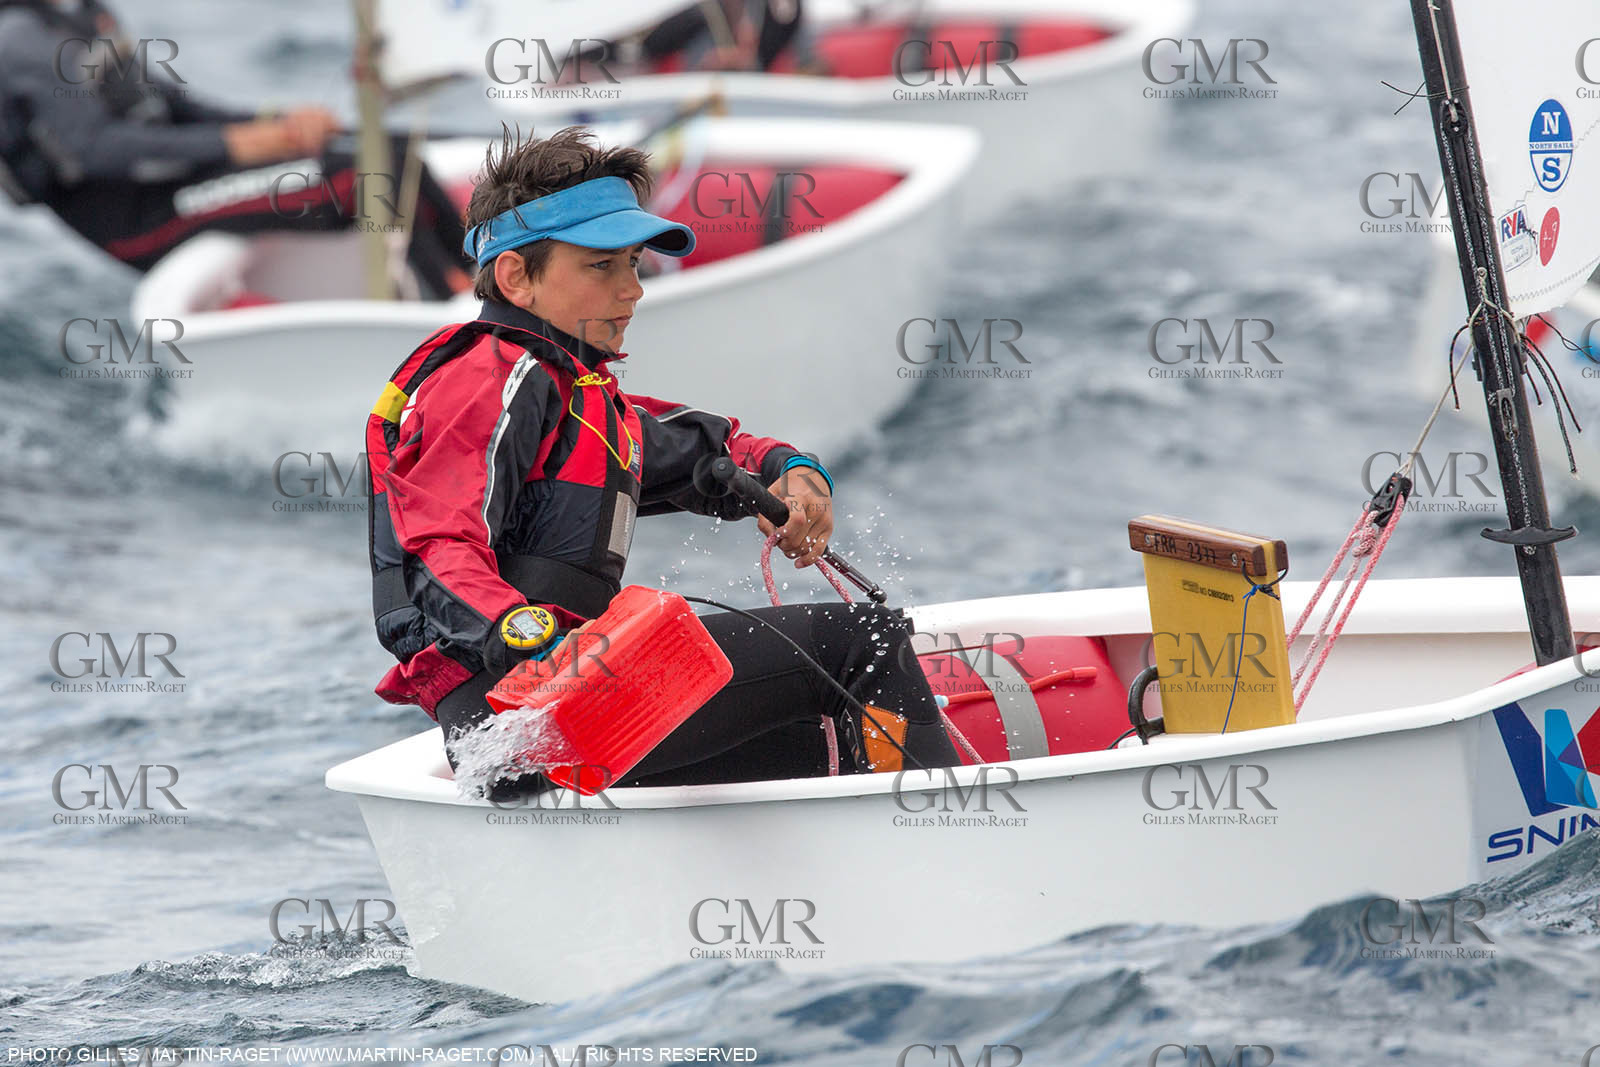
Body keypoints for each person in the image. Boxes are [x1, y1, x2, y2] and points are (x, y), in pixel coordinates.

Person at [364, 125, 961, 791]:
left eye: (633, 264)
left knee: (808, 743)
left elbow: (710, 450)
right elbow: (435, 545)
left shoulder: (584, 399)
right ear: (516, 276)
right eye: (601, 266)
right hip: (519, 720)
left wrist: (790, 473)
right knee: (865, 641)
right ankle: (945, 857)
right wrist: (526, 637)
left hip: (563, 709)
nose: (632, 290)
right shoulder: (485, 374)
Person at [0, 0, 473, 296]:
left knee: (394, 150)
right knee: (371, 174)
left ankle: (473, 282)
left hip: (185, 178)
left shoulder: (72, 15)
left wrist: (277, 125)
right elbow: (93, 149)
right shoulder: (20, 38)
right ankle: (456, 325)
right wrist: (236, 143)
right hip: (143, 219)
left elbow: (177, 106)